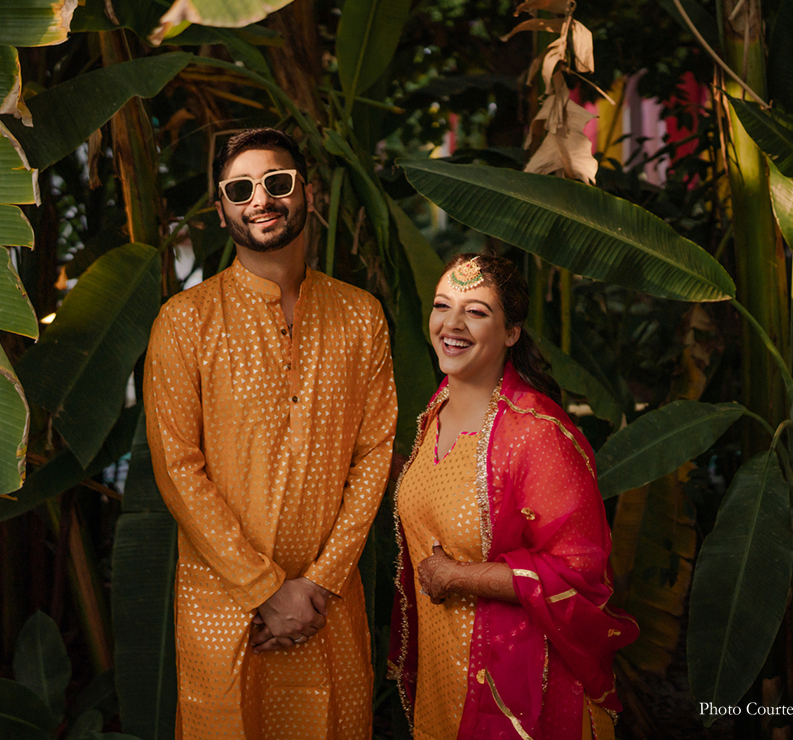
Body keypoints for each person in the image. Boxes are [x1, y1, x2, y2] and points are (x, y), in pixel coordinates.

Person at [143, 127, 397, 740]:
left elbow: (376, 451)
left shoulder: (360, 314)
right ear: (223, 207)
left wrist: (316, 583)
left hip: (325, 604)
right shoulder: (185, 322)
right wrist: (266, 590)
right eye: (241, 188)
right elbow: (178, 469)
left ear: (306, 191)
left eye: (277, 182)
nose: (261, 199)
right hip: (226, 606)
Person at [388, 253, 638, 740]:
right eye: (443, 305)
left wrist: (457, 576)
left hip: (516, 685)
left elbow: (578, 574)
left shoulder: (535, 435)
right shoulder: (435, 411)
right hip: (443, 676)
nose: (451, 324)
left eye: (476, 311)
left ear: (512, 332)